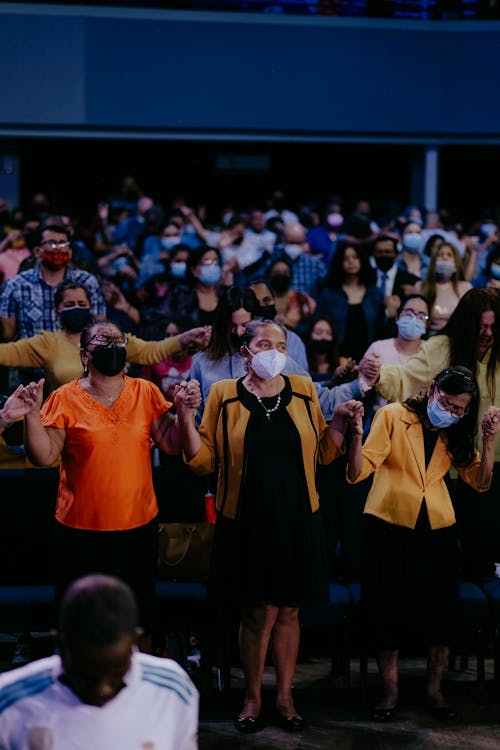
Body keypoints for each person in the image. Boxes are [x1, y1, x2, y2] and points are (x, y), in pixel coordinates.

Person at [177, 317, 362, 733]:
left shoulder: (303, 390)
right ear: (245, 352)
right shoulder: (224, 395)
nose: (274, 351)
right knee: (258, 612)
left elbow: (324, 455)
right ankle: (253, 696)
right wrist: (185, 417)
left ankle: (285, 695)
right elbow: (202, 461)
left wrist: (341, 425)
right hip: (246, 519)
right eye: (264, 343)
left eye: (280, 344)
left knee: (290, 611)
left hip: (298, 516)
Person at [10, 321, 201, 648]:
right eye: (103, 339)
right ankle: (82, 684)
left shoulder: (146, 392)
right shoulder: (64, 397)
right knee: (81, 617)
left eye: (118, 339)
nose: (113, 343)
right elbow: (44, 456)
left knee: (137, 615)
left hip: (136, 526)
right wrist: (30, 415)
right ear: (85, 354)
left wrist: (185, 413)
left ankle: (132, 684)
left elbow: (171, 445)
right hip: (79, 530)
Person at [346, 367, 500, 721]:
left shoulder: (457, 430)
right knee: (387, 609)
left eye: (459, 408)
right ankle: (390, 689)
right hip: (389, 522)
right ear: (432, 389)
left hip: (438, 526)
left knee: (440, 611)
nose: (451, 411)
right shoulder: (392, 416)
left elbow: (479, 482)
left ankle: (434, 688)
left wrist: (488, 440)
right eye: (446, 402)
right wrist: (356, 436)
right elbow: (359, 471)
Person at [358, 288, 500, 581]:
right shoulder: (441, 347)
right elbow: (407, 379)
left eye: (493, 326)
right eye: (481, 326)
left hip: (491, 461)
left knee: (483, 552)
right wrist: (378, 374)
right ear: (466, 324)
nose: (487, 333)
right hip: (447, 463)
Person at [0, 573, 199, 749]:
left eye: (117, 677)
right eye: (85, 677)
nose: (101, 690)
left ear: (134, 642)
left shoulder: (172, 690)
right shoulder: (9, 700)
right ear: (59, 643)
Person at [0, 280, 211, 393]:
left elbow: (150, 351)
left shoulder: (111, 338)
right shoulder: (47, 342)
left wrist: (184, 339)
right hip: (63, 424)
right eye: (69, 304)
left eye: (82, 304)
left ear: (91, 308)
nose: (76, 308)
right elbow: (6, 353)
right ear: (57, 310)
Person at [0, 224, 106, 342]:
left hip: (75, 356)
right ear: (37, 251)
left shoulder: (87, 281)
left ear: (70, 252)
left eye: (62, 243)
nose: (58, 248)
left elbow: (99, 329)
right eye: (51, 243)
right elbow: (7, 335)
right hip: (32, 357)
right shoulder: (16, 285)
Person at [316, 239, 386, 363]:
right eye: (345, 258)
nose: (350, 262)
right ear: (339, 262)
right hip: (338, 357)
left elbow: (381, 328)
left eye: (355, 257)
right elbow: (319, 322)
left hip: (370, 356)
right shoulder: (329, 293)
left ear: (362, 260)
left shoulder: (374, 294)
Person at [416, 241, 472, 335]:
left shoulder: (466, 287)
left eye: (449, 255)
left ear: (456, 261)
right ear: (434, 261)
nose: (445, 258)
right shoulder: (420, 287)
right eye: (440, 255)